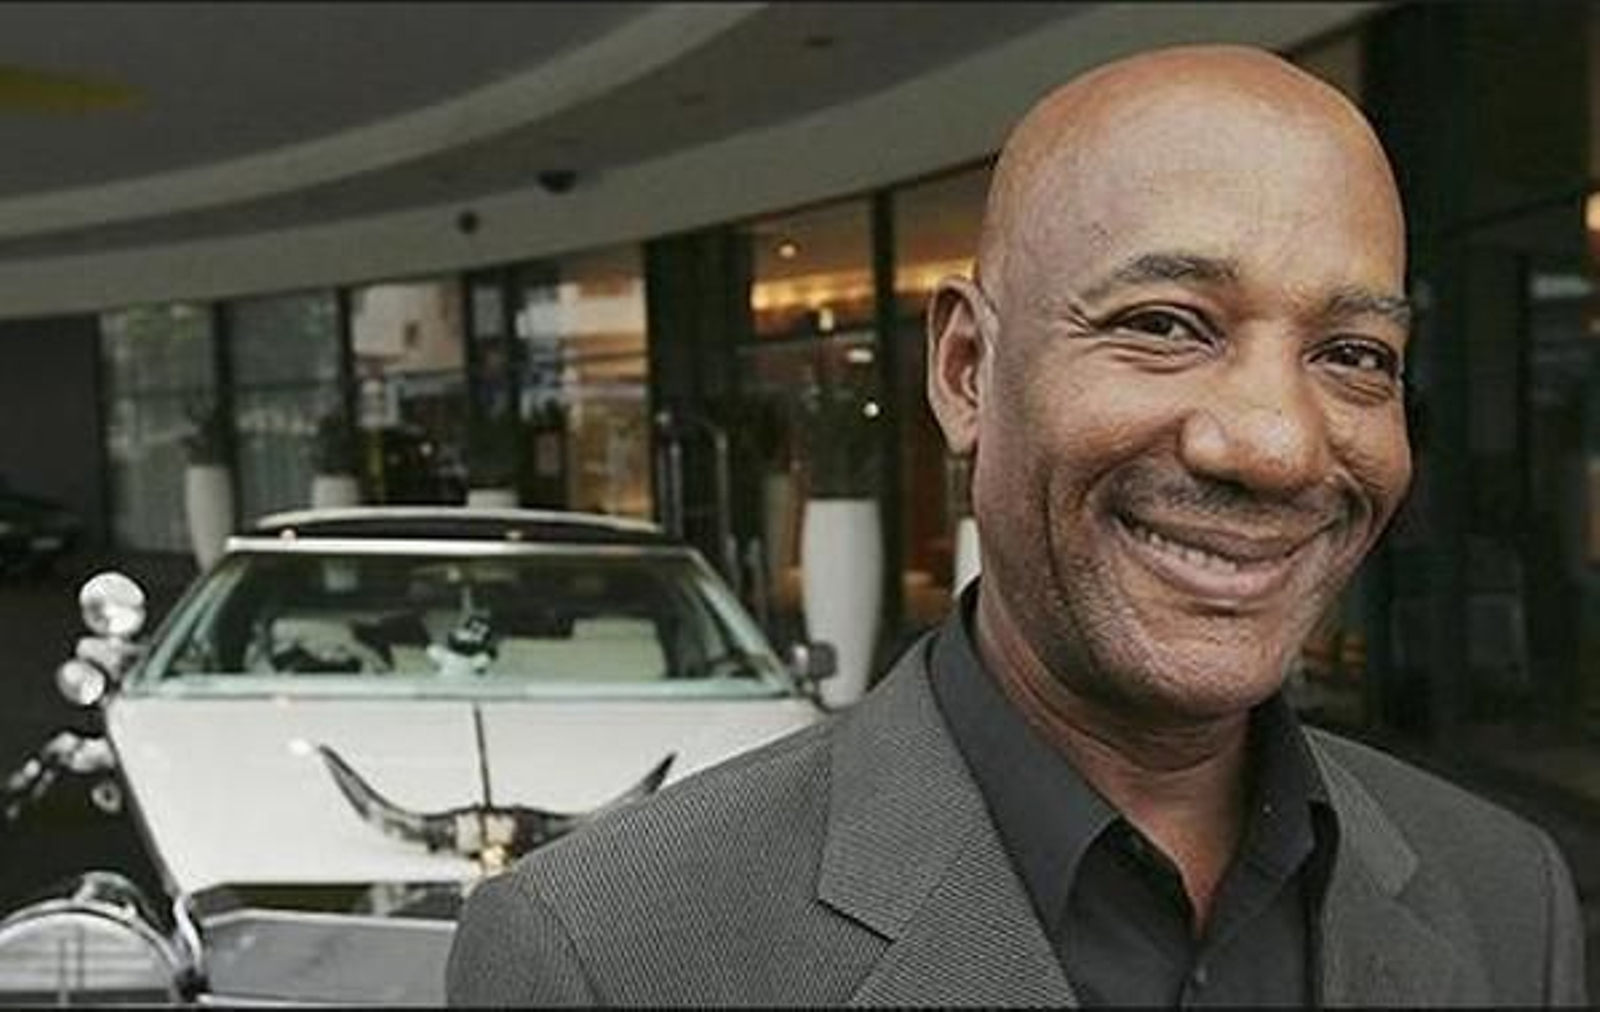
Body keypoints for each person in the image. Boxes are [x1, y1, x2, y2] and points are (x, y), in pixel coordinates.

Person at [446, 45, 1587, 1006]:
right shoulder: (606, 954)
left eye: (1352, 354)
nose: (1277, 445)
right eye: (1165, 324)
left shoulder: (1505, 898)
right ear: (966, 370)